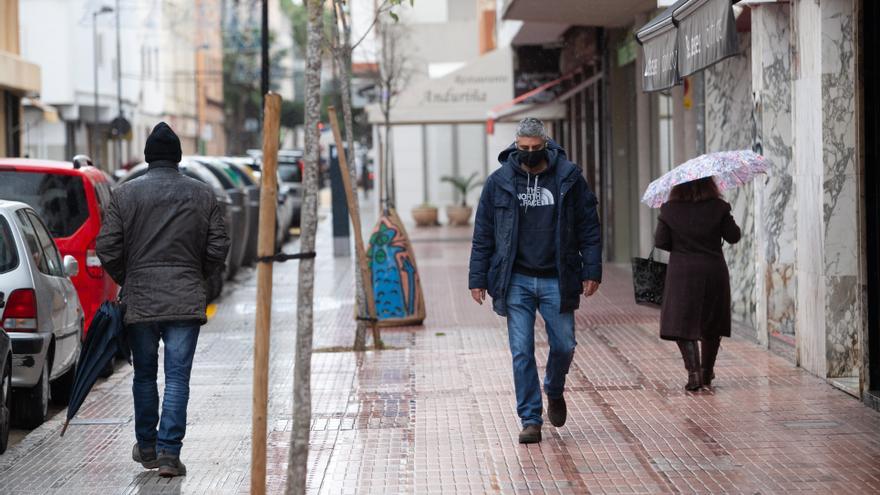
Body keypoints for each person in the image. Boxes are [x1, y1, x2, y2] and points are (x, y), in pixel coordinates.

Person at [97, 122, 230, 477]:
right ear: (178, 157)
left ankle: (148, 447)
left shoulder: (125, 195)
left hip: (141, 300)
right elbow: (219, 244)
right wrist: (196, 273)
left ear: (147, 157)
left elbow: (106, 246)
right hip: (185, 297)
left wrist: (130, 276)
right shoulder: (202, 194)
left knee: (144, 375)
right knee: (177, 378)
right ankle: (170, 454)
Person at [468, 117, 602, 444]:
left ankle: (554, 388)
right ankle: (530, 418)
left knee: (564, 344)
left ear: (545, 145)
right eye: (523, 148)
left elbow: (589, 226)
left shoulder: (568, 178)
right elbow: (483, 234)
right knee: (521, 351)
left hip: (558, 276)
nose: (529, 153)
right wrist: (477, 278)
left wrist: (592, 269)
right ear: (516, 146)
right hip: (516, 280)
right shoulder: (499, 182)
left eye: (535, 148)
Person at [654, 177, 741, 392]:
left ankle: (693, 372)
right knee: (711, 322)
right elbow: (734, 236)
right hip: (713, 272)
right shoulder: (719, 207)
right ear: (709, 185)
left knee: (682, 324)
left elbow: (661, 242)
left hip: (682, 274)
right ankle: (706, 371)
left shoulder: (669, 210)